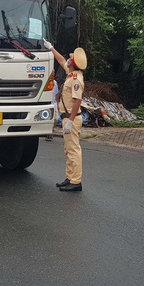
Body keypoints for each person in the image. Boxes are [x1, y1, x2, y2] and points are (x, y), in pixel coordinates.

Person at [43, 39, 87, 192]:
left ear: (73, 63)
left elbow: (77, 101)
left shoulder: (76, 80)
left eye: (70, 58)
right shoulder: (71, 73)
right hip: (67, 117)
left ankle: (76, 182)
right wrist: (51, 48)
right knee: (68, 149)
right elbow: (61, 60)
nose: (67, 59)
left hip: (71, 118)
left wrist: (70, 121)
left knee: (74, 150)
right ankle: (70, 178)